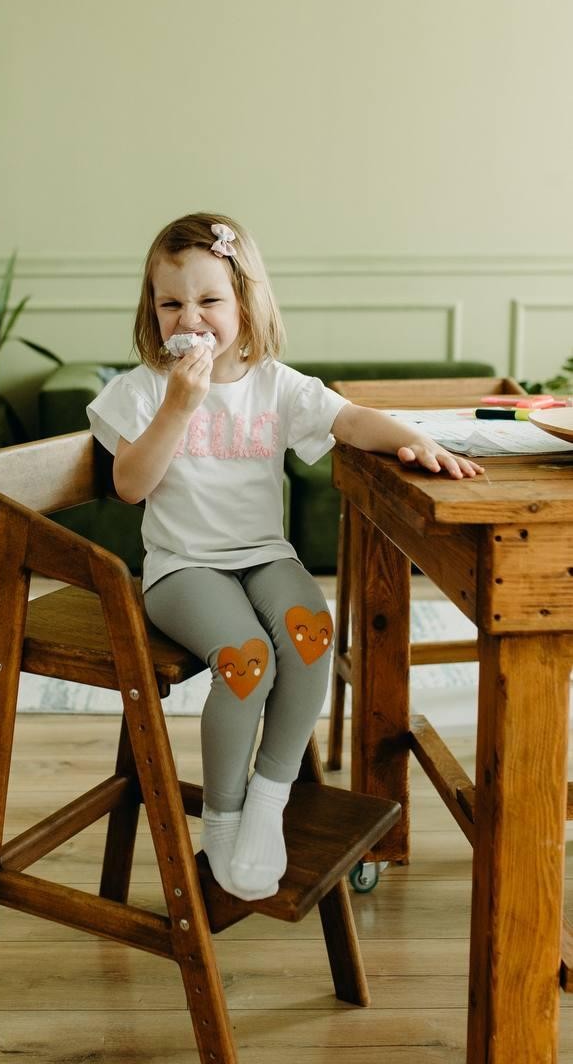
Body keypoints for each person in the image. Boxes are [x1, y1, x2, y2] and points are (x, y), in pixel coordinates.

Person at [86, 212, 483, 901]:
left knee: (310, 634)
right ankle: (223, 816)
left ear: (245, 302)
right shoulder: (143, 388)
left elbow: (347, 419)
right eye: (171, 303)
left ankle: (268, 800)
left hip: (262, 555)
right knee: (247, 661)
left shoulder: (274, 384)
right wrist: (179, 406)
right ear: (152, 311)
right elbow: (129, 486)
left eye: (209, 300)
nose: (191, 319)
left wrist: (413, 440)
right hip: (182, 568)